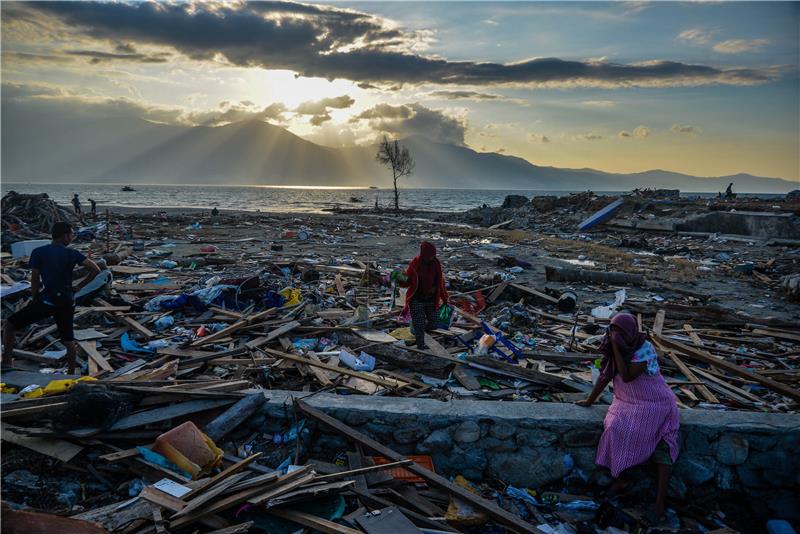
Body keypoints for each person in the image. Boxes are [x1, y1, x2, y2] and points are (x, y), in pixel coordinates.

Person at [576, 313, 679, 524]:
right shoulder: (611, 345)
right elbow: (606, 374)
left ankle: (659, 503)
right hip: (628, 401)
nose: (616, 335)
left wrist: (616, 347)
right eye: (613, 331)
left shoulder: (644, 348)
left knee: (663, 448)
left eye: (620, 332)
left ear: (630, 332)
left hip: (655, 404)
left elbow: (626, 376)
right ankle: (621, 478)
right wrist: (589, 400)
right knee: (614, 427)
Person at [3, 222, 101, 374]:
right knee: (68, 339)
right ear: (65, 235)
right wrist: (79, 287)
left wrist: (35, 297)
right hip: (67, 301)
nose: (72, 237)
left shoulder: (39, 252)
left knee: (10, 325)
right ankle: (70, 373)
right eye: (71, 234)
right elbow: (95, 269)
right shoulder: (72, 253)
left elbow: (34, 278)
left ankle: (7, 363)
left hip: (47, 300)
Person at [395, 241, 449, 350]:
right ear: (424, 254)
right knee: (419, 325)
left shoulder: (436, 264)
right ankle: (421, 346)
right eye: (430, 256)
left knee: (434, 323)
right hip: (417, 299)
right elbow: (407, 281)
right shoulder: (415, 264)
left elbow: (440, 283)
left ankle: (415, 327)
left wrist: (445, 298)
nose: (431, 258)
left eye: (433, 255)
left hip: (431, 299)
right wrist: (399, 277)